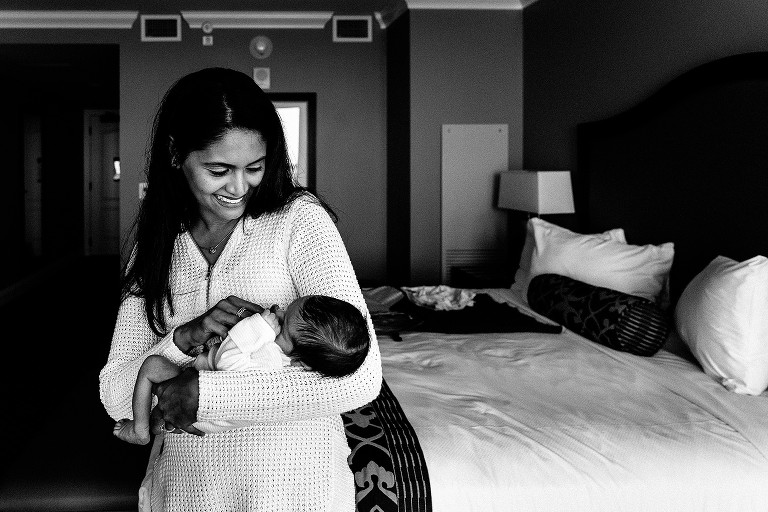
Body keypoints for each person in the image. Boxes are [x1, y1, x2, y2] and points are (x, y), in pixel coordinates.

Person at [98, 67, 381, 512]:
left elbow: (361, 377)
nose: (238, 187)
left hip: (296, 494)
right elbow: (116, 395)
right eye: (218, 170)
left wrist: (207, 395)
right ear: (175, 153)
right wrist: (182, 340)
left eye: (254, 168)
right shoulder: (155, 249)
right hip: (188, 495)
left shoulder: (299, 221)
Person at [113, 295, 370, 445]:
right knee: (161, 395)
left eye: (282, 324)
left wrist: (259, 327)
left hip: (203, 409)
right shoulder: (280, 354)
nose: (277, 311)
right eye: (286, 308)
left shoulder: (271, 361)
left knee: (152, 366)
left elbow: (227, 361)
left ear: (303, 364)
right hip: (194, 394)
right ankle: (157, 423)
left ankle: (140, 430)